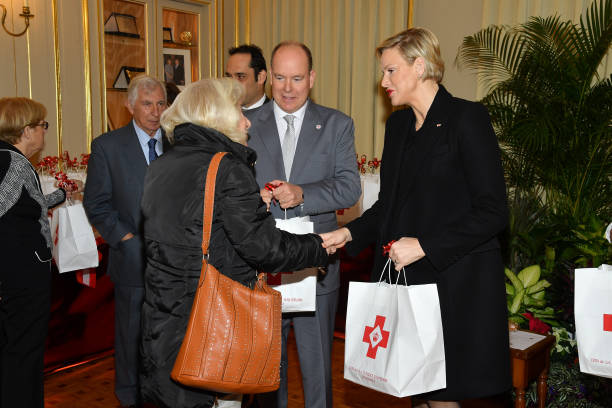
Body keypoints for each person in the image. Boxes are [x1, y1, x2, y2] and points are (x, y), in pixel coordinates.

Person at [321, 28, 511, 407]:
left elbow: (493, 212)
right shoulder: (398, 127)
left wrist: (425, 246)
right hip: (408, 285)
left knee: (442, 395)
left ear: (420, 66)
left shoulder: (466, 119)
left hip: (455, 285)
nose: (384, 81)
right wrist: (348, 234)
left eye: (391, 71)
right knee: (415, 391)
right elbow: (388, 206)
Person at [139, 78, 329, 408]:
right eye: (239, 111)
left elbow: (194, 225)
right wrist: (318, 247)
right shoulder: (226, 168)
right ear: (218, 117)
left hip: (163, 319)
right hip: (212, 324)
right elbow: (265, 249)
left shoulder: (161, 166)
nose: (247, 121)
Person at [247, 41, 361, 408]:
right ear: (269, 78)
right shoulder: (246, 123)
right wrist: (254, 198)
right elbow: (229, 187)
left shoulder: (336, 124)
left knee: (317, 374)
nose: (287, 88)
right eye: (279, 77)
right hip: (264, 266)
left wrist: (302, 194)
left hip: (317, 263)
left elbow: (349, 188)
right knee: (267, 372)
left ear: (311, 77)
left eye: (296, 78)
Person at [83, 75, 169, 408]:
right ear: (130, 105)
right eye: (147, 104)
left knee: (169, 334)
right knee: (131, 336)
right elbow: (97, 204)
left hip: (175, 261)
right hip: (132, 259)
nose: (155, 111)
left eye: (161, 103)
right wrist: (128, 240)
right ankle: (129, 398)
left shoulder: (178, 142)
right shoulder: (108, 146)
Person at [0, 97, 79, 407]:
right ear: (26, 129)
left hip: (17, 274)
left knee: (19, 348)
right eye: (43, 126)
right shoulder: (12, 162)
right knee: (23, 350)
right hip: (20, 278)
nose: (45, 132)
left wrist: (60, 195)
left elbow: (22, 205)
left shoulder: (11, 159)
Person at [224, 44, 269, 110]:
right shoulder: (219, 115)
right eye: (229, 77)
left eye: (240, 77)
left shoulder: (277, 116)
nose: (232, 85)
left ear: (261, 77)